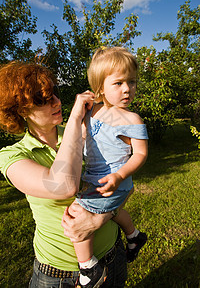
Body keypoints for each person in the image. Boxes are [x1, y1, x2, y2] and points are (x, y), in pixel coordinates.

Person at [0, 61, 127, 288]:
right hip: (59, 274)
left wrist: (100, 218)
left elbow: (124, 179)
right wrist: (76, 118)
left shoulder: (84, 131)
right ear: (21, 110)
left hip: (112, 253)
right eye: (43, 99)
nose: (57, 102)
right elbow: (62, 185)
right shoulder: (11, 156)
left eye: (55, 93)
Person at [68, 46, 149, 288]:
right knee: (112, 214)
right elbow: (85, 136)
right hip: (96, 178)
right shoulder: (93, 110)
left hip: (115, 181)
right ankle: (134, 236)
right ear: (100, 87)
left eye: (132, 82)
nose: (127, 89)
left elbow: (141, 154)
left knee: (76, 214)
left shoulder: (132, 119)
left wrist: (119, 174)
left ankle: (89, 268)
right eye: (119, 83)